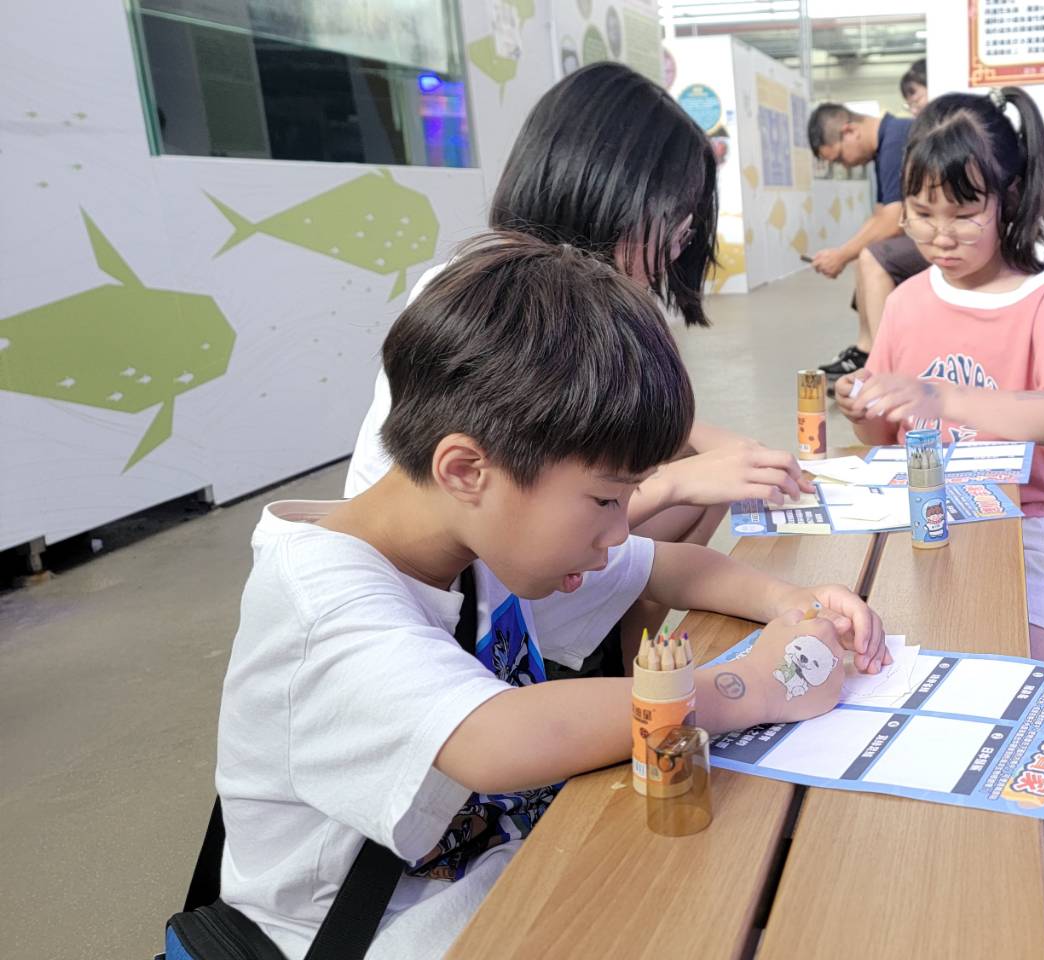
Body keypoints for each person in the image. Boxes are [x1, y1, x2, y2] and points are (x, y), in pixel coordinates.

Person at [217, 234, 889, 958]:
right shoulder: (322, 601)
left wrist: (793, 601)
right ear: (467, 469)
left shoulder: (475, 535)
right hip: (385, 929)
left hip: (509, 862)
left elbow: (670, 567)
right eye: (605, 499)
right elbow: (496, 736)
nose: (617, 527)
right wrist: (757, 684)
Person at [347, 63, 809, 669]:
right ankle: (605, 668)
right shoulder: (491, 304)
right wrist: (672, 481)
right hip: (476, 582)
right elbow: (502, 494)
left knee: (702, 484)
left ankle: (618, 657)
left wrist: (711, 446)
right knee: (690, 488)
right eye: (671, 226)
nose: (677, 248)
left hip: (501, 570)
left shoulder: (571, 302)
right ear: (604, 194)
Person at [834, 88, 1044, 665]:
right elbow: (879, 439)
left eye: (963, 213)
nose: (940, 235)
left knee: (1025, 684)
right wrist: (865, 410)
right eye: (921, 213)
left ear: (1009, 198)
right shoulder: (906, 302)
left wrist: (943, 396)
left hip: (1017, 531)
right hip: (921, 524)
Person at [805, 102, 929, 380]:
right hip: (928, 233)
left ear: (850, 131)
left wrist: (842, 255)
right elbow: (880, 215)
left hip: (945, 236)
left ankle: (881, 367)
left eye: (838, 158)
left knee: (871, 257)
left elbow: (893, 220)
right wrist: (842, 252)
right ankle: (867, 349)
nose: (844, 166)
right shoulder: (886, 143)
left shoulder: (897, 141)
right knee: (867, 254)